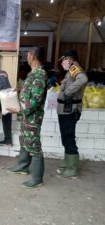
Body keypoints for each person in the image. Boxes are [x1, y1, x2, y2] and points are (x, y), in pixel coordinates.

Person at [7, 46, 48, 188]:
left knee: (34, 146)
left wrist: (19, 109)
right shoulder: (33, 73)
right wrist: (19, 89)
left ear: (34, 56)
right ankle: (23, 166)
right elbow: (31, 91)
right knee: (25, 140)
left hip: (33, 118)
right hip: (26, 117)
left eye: (28, 54)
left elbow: (35, 100)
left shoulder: (40, 74)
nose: (27, 57)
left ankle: (37, 179)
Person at [57, 50, 88, 179]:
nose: (62, 62)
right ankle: (68, 161)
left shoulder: (74, 68)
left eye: (64, 59)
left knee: (68, 137)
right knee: (66, 136)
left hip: (69, 110)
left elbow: (83, 79)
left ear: (70, 59)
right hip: (65, 109)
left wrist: (68, 92)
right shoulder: (70, 71)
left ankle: (72, 168)